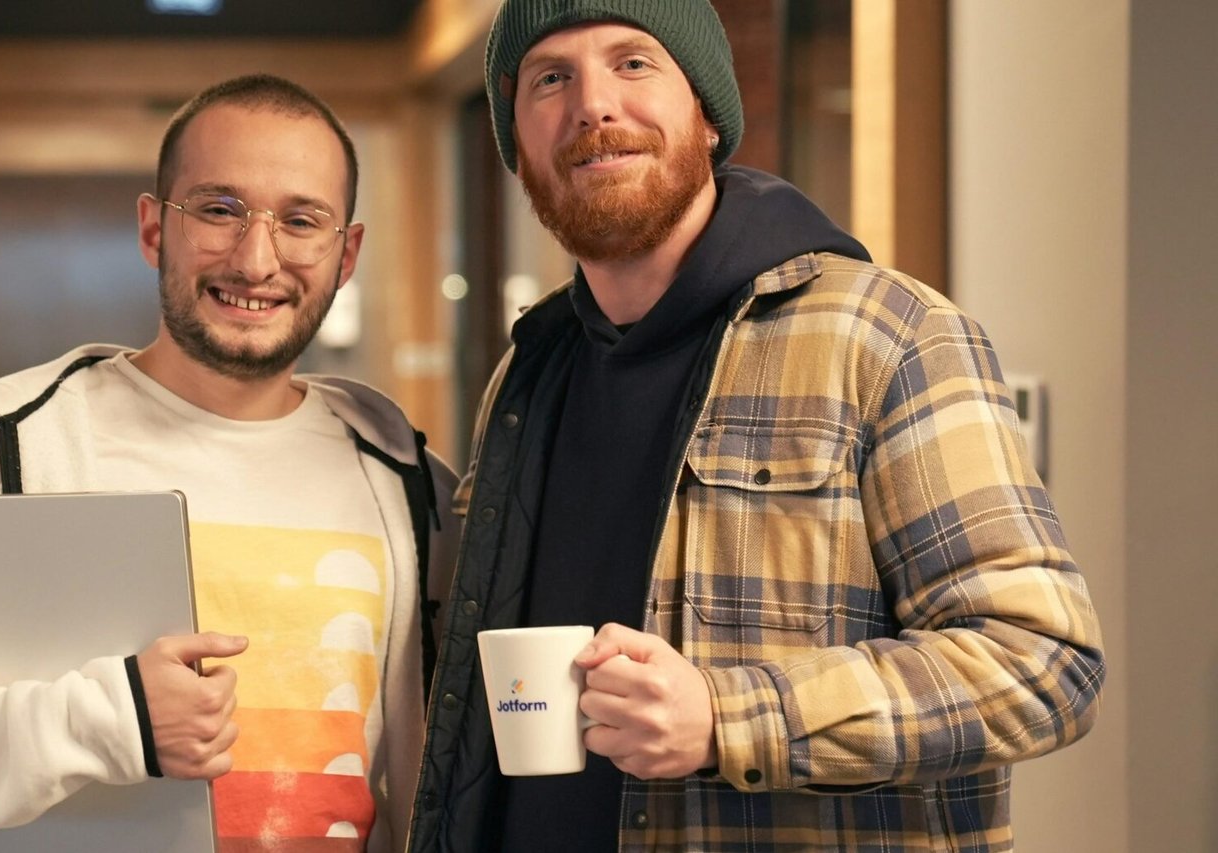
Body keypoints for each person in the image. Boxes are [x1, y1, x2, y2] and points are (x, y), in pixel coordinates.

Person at [408, 2, 1105, 851]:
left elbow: (1039, 665)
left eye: (634, 63)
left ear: (708, 117)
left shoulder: (886, 336)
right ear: (517, 147)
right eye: (551, 78)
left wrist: (726, 718)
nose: (592, 104)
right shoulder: (528, 370)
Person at [0, 73, 459, 853]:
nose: (256, 257)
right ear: (152, 230)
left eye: (302, 220)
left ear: (345, 255)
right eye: (218, 209)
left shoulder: (404, 478)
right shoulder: (6, 442)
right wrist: (115, 719)